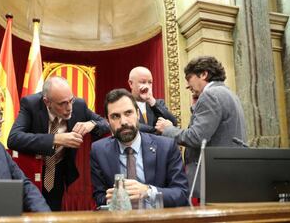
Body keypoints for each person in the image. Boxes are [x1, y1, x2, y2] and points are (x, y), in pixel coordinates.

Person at [8, 76, 110, 211]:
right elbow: (14, 138)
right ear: (47, 102)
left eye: (70, 100)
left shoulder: (79, 106)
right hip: (32, 172)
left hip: (57, 173)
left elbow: (106, 123)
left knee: (53, 213)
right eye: (62, 103)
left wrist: (92, 123)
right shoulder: (31, 104)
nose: (69, 108)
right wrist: (56, 139)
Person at [155, 56, 247, 197]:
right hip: (229, 174)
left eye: (189, 78)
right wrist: (195, 108)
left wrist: (167, 129)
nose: (187, 85)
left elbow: (196, 137)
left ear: (203, 74)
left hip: (212, 177)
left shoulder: (210, 95)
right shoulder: (229, 94)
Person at [90, 88, 189, 208]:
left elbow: (181, 193)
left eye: (128, 113)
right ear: (108, 121)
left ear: (137, 114)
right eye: (115, 116)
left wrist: (148, 192)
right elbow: (99, 196)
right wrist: (112, 199)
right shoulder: (99, 150)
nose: (123, 121)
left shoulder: (166, 147)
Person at [128, 66, 177, 132]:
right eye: (143, 82)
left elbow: (173, 123)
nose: (147, 86)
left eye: (150, 82)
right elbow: (131, 126)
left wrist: (151, 100)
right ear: (131, 84)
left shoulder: (158, 103)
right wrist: (156, 130)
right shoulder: (125, 105)